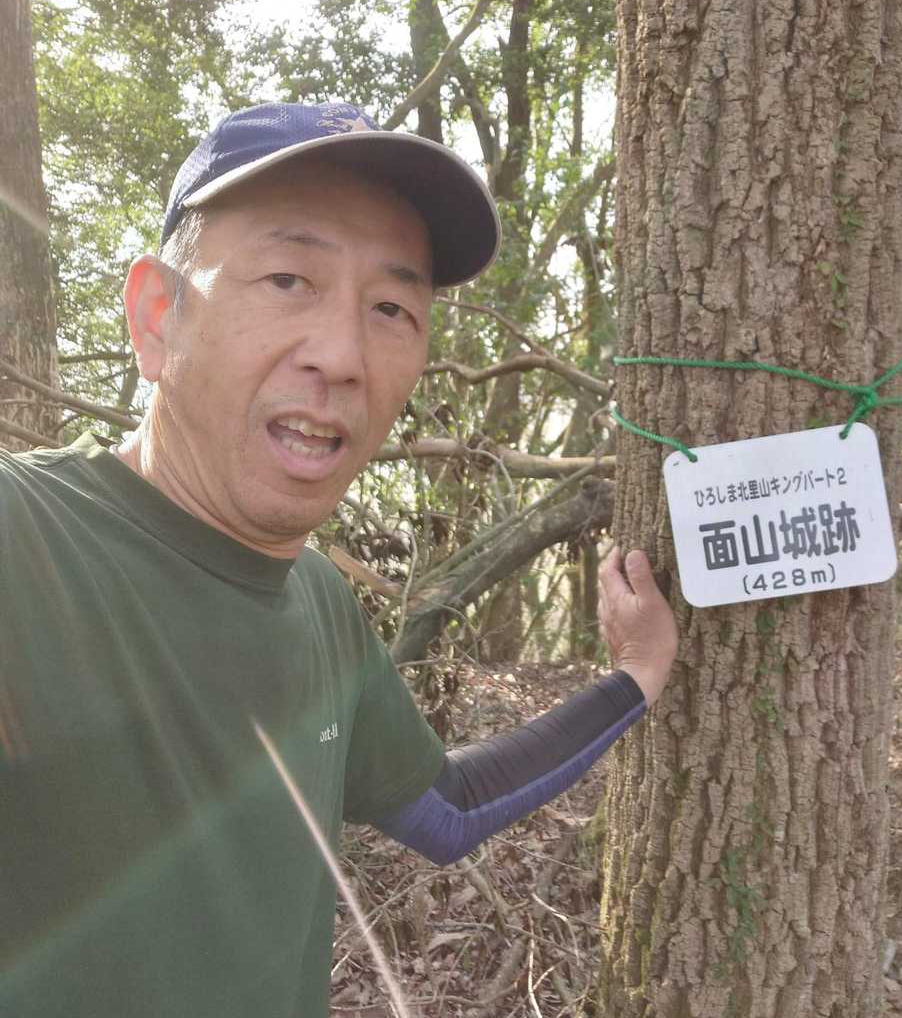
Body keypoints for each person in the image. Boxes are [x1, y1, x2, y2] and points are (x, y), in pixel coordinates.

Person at [0, 101, 678, 1017]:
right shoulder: (26, 538)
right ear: (157, 318)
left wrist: (637, 674)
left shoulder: (319, 602)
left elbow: (445, 808)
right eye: (288, 279)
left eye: (392, 308)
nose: (343, 355)